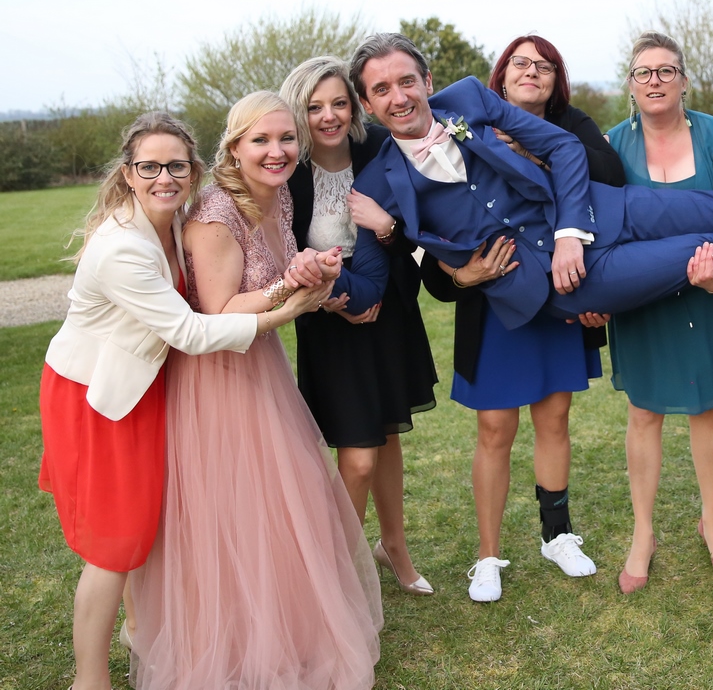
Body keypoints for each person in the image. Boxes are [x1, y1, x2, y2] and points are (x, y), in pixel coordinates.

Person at [346, 32, 713, 334]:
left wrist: (569, 231)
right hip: (561, 283)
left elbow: (562, 145)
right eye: (381, 90)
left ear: (427, 81)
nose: (399, 97)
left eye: (407, 81)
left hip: (600, 212)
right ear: (368, 104)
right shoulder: (375, 186)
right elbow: (369, 288)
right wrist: (354, 253)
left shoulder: (469, 99)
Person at [38, 112, 326, 690]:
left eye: (176, 166)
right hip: (98, 394)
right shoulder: (122, 247)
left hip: (144, 383)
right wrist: (286, 309)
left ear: (193, 170)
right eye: (149, 167)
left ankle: (140, 633)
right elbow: (190, 331)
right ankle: (89, 681)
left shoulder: (171, 220)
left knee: (146, 523)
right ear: (128, 173)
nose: (164, 177)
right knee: (116, 543)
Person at [130, 93, 383, 688]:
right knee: (236, 506)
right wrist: (287, 288)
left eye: (286, 138)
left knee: (283, 500)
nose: (277, 151)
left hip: (261, 362)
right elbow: (219, 311)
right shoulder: (216, 213)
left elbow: (284, 276)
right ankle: (230, 646)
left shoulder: (278, 197)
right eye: (261, 140)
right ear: (234, 147)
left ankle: (284, 633)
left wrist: (314, 276)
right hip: (217, 375)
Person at [419, 35, 624, 601]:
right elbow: (434, 223)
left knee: (554, 418)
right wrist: (461, 276)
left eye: (544, 66)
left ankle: (557, 536)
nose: (532, 71)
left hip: (559, 293)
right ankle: (487, 556)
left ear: (557, 80)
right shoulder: (464, 128)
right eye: (520, 63)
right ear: (501, 77)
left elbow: (608, 175)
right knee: (495, 428)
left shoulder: (571, 126)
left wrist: (535, 153)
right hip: (492, 305)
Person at [281, 56, 438, 596]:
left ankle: (393, 546)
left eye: (339, 103)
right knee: (359, 457)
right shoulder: (288, 172)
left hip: (388, 311)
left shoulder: (379, 149)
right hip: (328, 323)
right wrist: (332, 301)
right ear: (299, 112)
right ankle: (338, 574)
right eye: (314, 107)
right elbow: (280, 254)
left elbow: (414, 233)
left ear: (355, 106)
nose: (329, 116)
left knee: (388, 435)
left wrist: (389, 229)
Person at [605, 31, 713, 594]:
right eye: (644, 72)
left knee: (706, 407)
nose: (656, 81)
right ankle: (643, 533)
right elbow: (606, 233)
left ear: (684, 80)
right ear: (631, 85)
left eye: (667, 70)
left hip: (708, 289)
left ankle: (712, 519)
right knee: (644, 411)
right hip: (643, 298)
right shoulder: (611, 145)